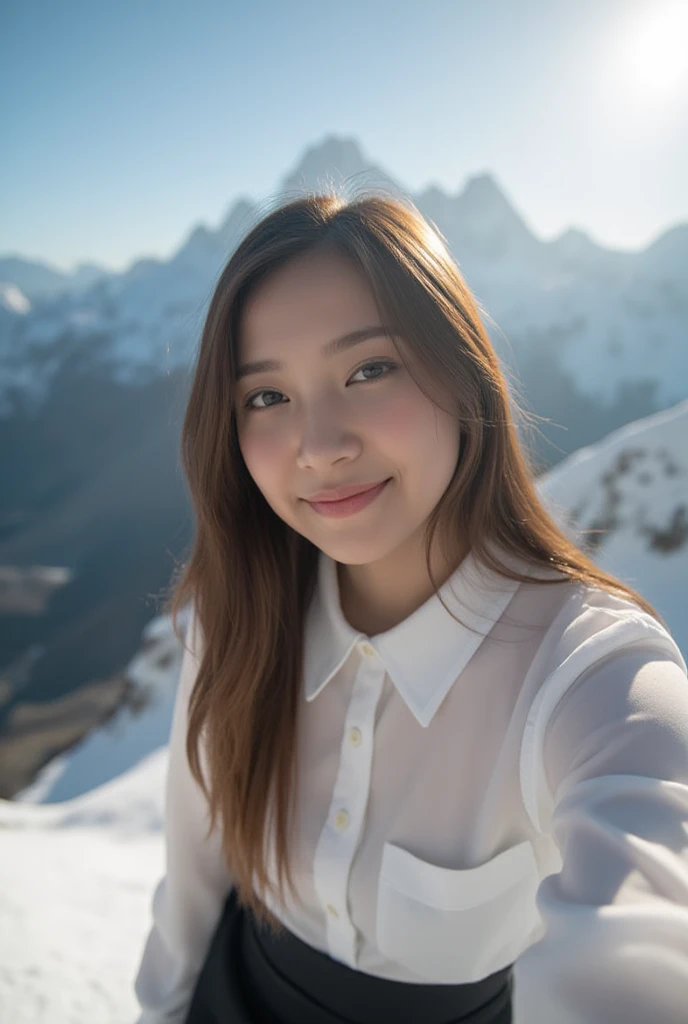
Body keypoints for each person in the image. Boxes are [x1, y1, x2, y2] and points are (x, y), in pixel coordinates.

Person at [132, 191, 688, 1024]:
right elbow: (194, 880)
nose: (320, 447)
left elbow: (647, 933)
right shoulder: (237, 616)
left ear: (462, 371)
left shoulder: (589, 671)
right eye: (266, 397)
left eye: (369, 370)